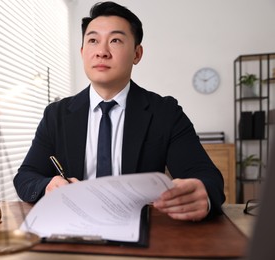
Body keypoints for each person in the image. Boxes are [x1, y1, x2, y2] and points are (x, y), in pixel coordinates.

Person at [14, 1, 225, 221]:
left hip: (141, 229)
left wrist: (202, 193)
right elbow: (26, 176)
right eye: (93, 40)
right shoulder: (56, 115)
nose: (102, 52)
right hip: (73, 226)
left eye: (115, 40)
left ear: (137, 53)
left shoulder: (165, 112)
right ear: (83, 51)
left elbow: (208, 178)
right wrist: (48, 185)